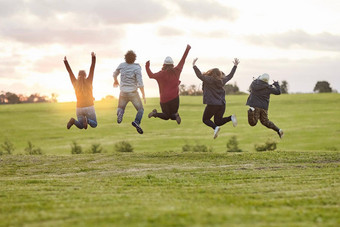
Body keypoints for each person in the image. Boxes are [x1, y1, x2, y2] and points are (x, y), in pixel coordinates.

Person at [192, 58, 239, 139]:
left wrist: (194, 65)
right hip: (222, 105)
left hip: (212, 104)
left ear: (210, 72)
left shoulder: (208, 79)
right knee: (218, 121)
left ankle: (215, 128)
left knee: (205, 119)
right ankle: (231, 117)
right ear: (219, 74)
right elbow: (230, 76)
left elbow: (199, 75)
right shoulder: (222, 81)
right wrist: (235, 66)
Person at [145, 44, 191, 124]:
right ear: (172, 64)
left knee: (166, 116)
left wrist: (147, 67)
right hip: (174, 98)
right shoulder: (177, 70)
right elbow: (183, 60)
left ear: (164, 64)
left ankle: (155, 114)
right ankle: (176, 115)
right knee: (173, 115)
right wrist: (187, 49)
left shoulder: (160, 74)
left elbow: (150, 75)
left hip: (164, 99)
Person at [113, 50, 146, 134]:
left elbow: (114, 74)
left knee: (121, 107)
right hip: (133, 93)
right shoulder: (137, 67)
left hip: (123, 92)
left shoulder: (122, 65)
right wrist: (143, 94)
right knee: (140, 109)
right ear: (134, 59)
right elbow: (140, 83)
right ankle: (136, 122)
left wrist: (116, 80)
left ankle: (120, 113)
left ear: (125, 58)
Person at [64, 52, 97, 130]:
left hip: (79, 107)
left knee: (81, 126)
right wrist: (93, 57)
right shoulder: (89, 81)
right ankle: (88, 120)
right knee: (94, 124)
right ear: (85, 75)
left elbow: (70, 72)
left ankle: (73, 121)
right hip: (89, 106)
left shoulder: (75, 83)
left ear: (78, 75)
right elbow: (92, 68)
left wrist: (65, 62)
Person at [246, 73, 284, 138]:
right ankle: (278, 130)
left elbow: (250, 88)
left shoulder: (254, 84)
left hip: (255, 106)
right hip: (264, 107)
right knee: (265, 122)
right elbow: (278, 92)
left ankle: (250, 111)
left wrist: (257, 79)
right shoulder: (268, 88)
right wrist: (276, 84)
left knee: (253, 123)